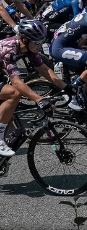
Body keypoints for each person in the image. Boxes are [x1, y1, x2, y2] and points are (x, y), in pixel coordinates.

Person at [0, 20, 71, 157]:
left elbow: (44, 70)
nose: (40, 45)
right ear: (25, 40)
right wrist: (39, 99)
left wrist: (66, 87)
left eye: (42, 41)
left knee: (9, 114)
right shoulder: (9, 49)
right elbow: (17, 83)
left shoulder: (28, 48)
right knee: (13, 94)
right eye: (37, 42)